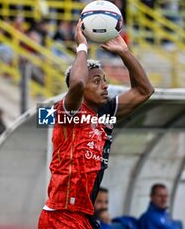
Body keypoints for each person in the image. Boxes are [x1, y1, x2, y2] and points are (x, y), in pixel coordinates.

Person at [38, 19, 154, 228]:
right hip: (61, 215)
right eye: (97, 81)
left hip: (83, 215)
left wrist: (124, 52)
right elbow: (78, 82)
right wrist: (82, 46)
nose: (105, 86)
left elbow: (145, 91)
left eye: (105, 80)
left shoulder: (105, 113)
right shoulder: (68, 111)